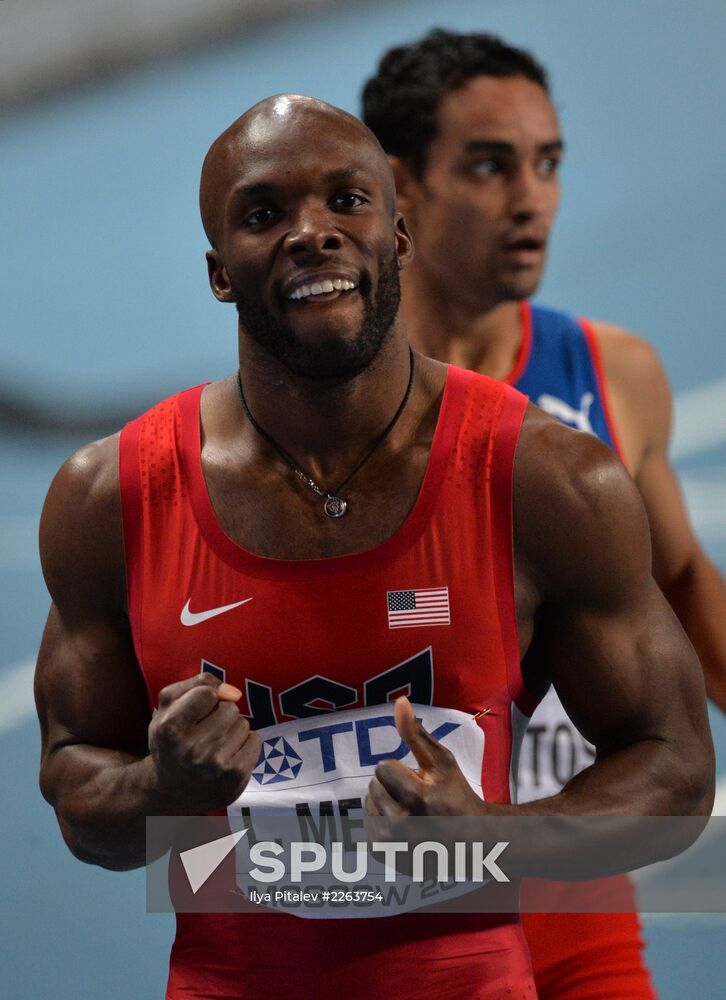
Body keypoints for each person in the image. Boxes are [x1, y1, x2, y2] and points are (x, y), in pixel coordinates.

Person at [35, 95, 713, 1000]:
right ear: (219, 274)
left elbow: (674, 770)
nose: (312, 234)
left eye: (346, 201)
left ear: (399, 239)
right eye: (264, 214)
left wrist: (490, 840)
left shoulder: (545, 480)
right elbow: (86, 814)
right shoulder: (109, 499)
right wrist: (162, 785)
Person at [361, 28, 726, 998]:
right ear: (401, 187)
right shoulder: (332, 415)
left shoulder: (614, 373)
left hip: (573, 888)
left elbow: (683, 579)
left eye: (547, 163)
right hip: (399, 923)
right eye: (489, 165)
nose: (531, 197)